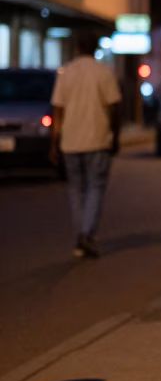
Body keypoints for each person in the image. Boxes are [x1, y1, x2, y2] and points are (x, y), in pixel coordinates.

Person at [50, 32, 122, 258]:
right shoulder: (104, 72)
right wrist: (115, 136)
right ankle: (86, 233)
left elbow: (58, 110)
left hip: (70, 141)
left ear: (78, 48)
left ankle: (82, 232)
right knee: (95, 187)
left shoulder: (66, 72)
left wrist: (54, 142)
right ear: (95, 49)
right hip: (97, 139)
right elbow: (114, 107)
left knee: (75, 189)